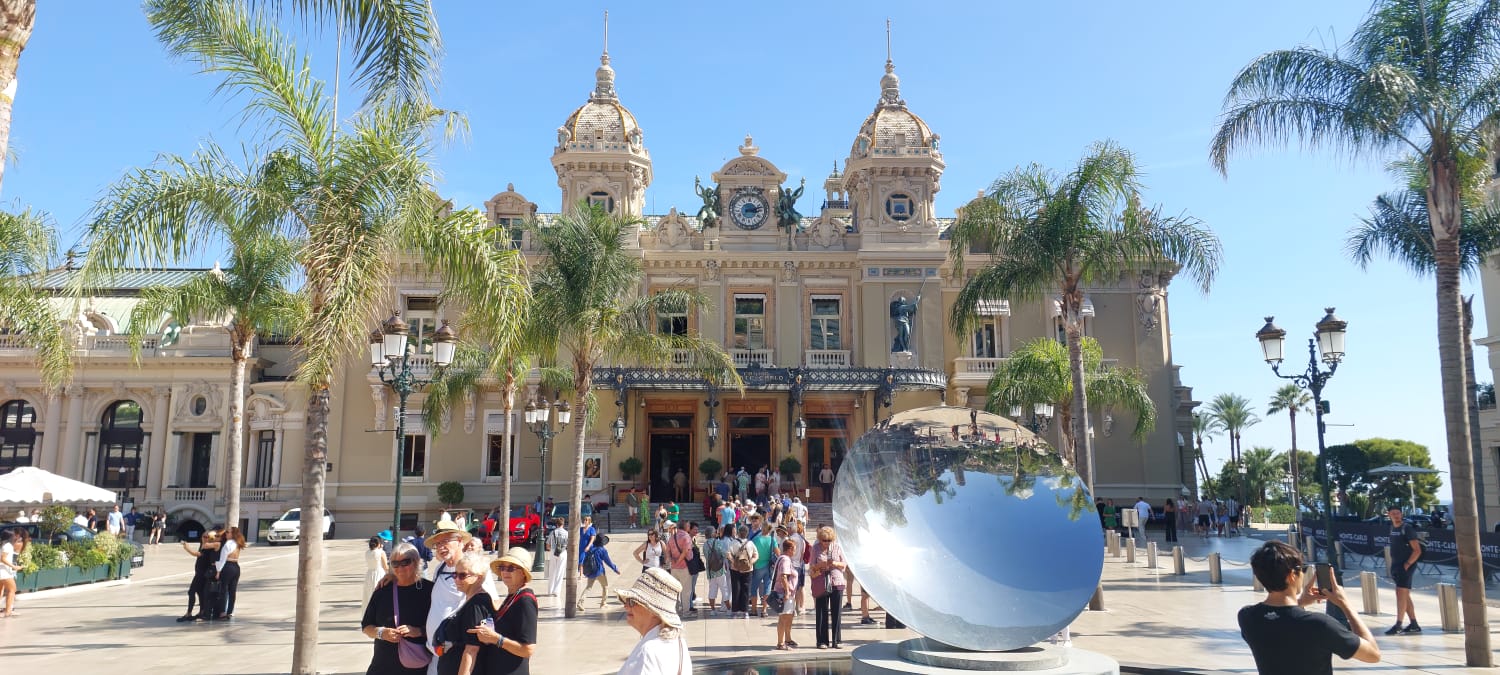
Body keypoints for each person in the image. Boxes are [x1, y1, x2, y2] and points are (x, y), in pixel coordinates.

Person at [1239, 541, 1379, 673]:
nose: (1303, 573)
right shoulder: (1320, 624)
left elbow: (1281, 621)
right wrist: (1345, 604)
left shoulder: (1247, 617)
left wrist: (1299, 603)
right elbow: (1373, 654)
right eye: (1302, 568)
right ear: (1291, 575)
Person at [424, 518, 498, 675]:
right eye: (437, 544)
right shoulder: (439, 568)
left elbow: (492, 602)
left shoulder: (474, 568)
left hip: (458, 654)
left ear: (459, 541)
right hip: (436, 652)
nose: (441, 547)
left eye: (445, 541)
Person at [361, 543, 432, 675]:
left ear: (416, 562)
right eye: (395, 563)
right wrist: (381, 633)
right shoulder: (383, 590)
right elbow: (366, 626)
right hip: (382, 665)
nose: (400, 567)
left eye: (405, 562)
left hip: (417, 666)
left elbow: (441, 629)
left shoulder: (430, 590)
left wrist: (419, 631)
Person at [470, 548, 539, 675]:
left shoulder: (525, 601)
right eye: (503, 567)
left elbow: (528, 649)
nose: (505, 572)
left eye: (511, 568)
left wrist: (497, 639)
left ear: (523, 572)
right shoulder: (513, 596)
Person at [615, 568, 691, 675]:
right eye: (627, 599)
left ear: (655, 612)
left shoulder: (648, 652)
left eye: (632, 601)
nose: (626, 606)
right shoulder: (679, 642)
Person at [434, 552, 494, 675]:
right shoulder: (473, 600)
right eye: (455, 574)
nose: (456, 579)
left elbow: (472, 649)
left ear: (479, 577)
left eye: (462, 575)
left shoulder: (476, 604)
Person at [1385, 506, 1424, 635]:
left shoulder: (1406, 528)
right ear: (1389, 515)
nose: (1396, 515)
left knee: (1400, 594)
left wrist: (1407, 564)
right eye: (1393, 513)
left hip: (1405, 566)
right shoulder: (1392, 528)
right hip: (1396, 565)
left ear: (1401, 514)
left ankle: (1398, 624)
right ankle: (1414, 623)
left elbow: (1417, 550)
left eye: (1398, 513)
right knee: (1404, 595)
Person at [808, 525, 847, 649]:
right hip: (821, 583)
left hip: (837, 582)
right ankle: (822, 641)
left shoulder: (837, 547)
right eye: (824, 540)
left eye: (829, 540)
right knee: (821, 612)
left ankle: (837, 640)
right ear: (820, 539)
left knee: (837, 613)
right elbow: (811, 566)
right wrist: (821, 565)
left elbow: (844, 565)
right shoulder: (815, 548)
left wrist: (834, 563)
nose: (826, 543)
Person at [178, 530, 222, 621]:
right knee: (199, 592)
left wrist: (187, 548)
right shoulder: (202, 545)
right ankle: (201, 611)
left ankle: (189, 612)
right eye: (203, 536)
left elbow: (198, 555)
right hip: (199, 572)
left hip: (202, 574)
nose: (205, 539)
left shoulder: (208, 547)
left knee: (191, 591)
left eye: (207, 537)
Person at [578, 532, 621, 611]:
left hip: (591, 571)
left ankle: (581, 602)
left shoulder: (591, 548)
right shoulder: (602, 550)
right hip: (599, 571)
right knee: (605, 587)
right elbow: (608, 562)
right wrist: (615, 569)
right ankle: (603, 603)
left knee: (588, 587)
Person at [772, 538, 800, 650]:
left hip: (788, 593)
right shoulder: (785, 560)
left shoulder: (783, 558)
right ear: (790, 549)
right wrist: (787, 592)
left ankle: (788, 639)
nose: (795, 552)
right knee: (783, 618)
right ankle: (780, 643)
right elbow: (783, 576)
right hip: (784, 593)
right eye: (794, 549)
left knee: (789, 616)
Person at [663, 520, 695, 617]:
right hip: (684, 567)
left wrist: (671, 560)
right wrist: (679, 560)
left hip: (674, 568)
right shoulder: (686, 537)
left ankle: (675, 611)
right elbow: (685, 551)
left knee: (675, 590)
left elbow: (667, 551)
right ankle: (686, 612)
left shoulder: (672, 537)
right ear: (685, 527)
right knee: (686, 590)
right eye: (689, 525)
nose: (689, 527)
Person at [726, 524, 757, 618]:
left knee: (736, 589)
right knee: (746, 590)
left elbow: (728, 554)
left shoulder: (733, 543)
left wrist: (734, 562)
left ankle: (734, 611)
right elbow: (756, 555)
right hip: (748, 570)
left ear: (739, 533)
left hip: (735, 569)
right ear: (747, 533)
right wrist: (750, 563)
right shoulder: (750, 543)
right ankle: (745, 611)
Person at [216, 526, 245, 619]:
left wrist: (218, 571)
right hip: (236, 567)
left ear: (232, 534)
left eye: (228, 532)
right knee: (232, 590)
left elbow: (223, 558)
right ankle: (230, 611)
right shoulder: (238, 543)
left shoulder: (228, 543)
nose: (226, 534)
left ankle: (222, 612)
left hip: (228, 566)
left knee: (224, 590)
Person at [749, 517, 775, 617]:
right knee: (767, 588)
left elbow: (751, 552)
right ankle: (764, 610)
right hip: (768, 567)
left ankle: (754, 609)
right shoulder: (772, 540)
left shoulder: (756, 539)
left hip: (757, 566)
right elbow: (777, 552)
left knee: (754, 588)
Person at [703, 527, 729, 613]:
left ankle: (713, 610)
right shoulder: (718, 542)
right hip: (720, 570)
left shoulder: (705, 544)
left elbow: (706, 557)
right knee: (724, 589)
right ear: (712, 533)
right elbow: (724, 554)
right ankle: (729, 609)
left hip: (710, 570)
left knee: (712, 590)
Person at [0, 527, 24, 618]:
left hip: (2, 571)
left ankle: (8, 610)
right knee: (12, 589)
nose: (15, 536)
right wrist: (14, 567)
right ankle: (8, 611)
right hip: (4, 571)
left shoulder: (3, 545)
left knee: (1, 590)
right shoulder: (8, 546)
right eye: (13, 534)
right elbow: (2, 559)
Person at [364, 536, 392, 614]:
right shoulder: (381, 552)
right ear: (378, 543)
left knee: (369, 596)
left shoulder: (367, 552)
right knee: (380, 596)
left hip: (369, 575)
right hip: (379, 573)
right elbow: (385, 567)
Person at [545, 518, 568, 598]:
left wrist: (550, 549)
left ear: (556, 524)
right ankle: (556, 591)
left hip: (553, 552)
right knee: (560, 572)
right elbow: (568, 544)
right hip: (562, 553)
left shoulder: (553, 532)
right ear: (563, 524)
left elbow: (547, 544)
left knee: (552, 572)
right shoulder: (566, 533)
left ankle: (550, 590)